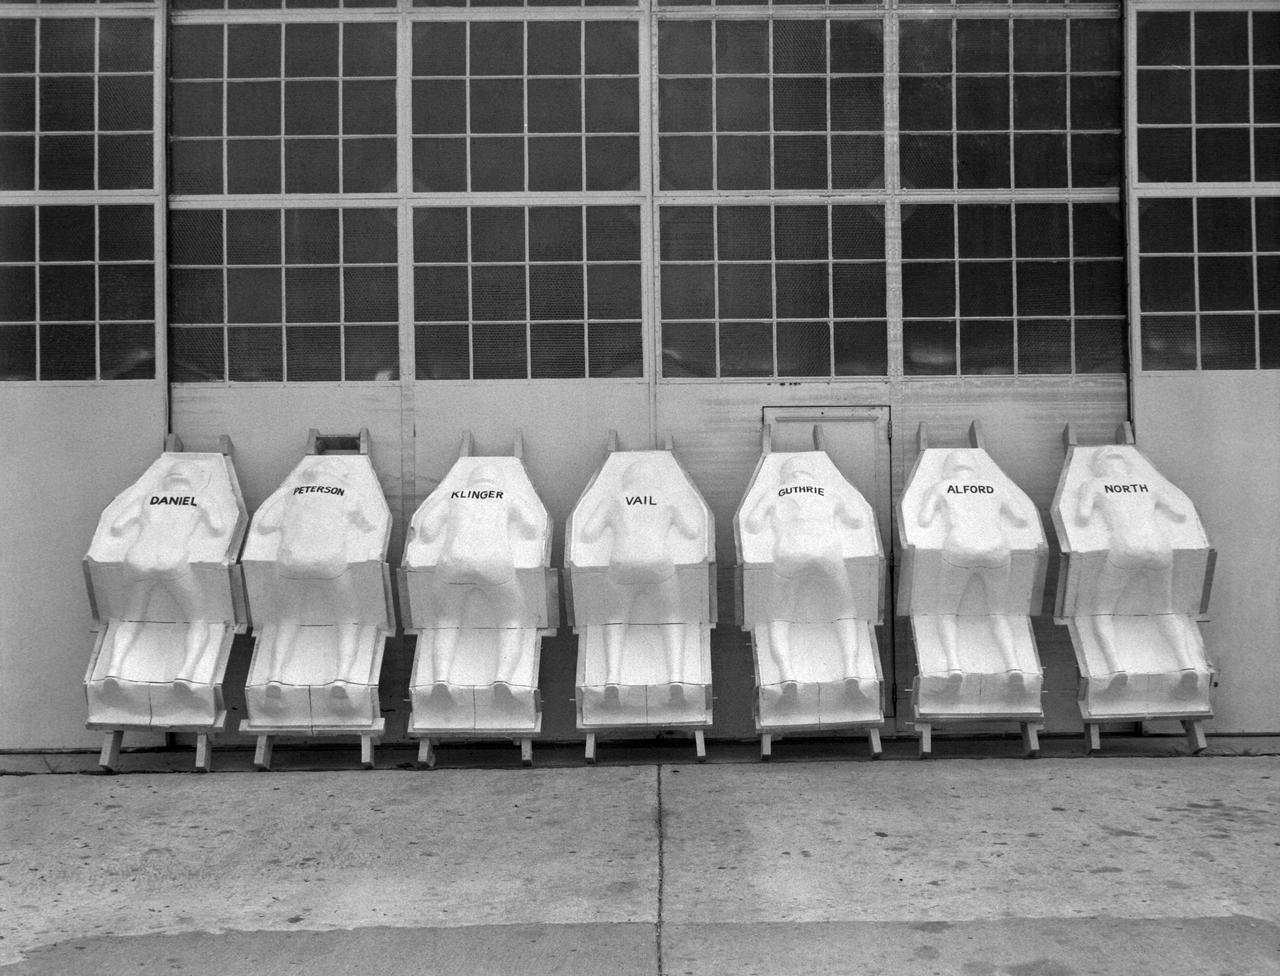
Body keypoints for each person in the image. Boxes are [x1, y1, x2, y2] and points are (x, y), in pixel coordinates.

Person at [408, 464, 542, 703]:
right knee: (511, 618)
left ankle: (441, 679)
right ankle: (502, 678)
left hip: (453, 564)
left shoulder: (453, 496)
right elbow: (532, 528)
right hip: (495, 564)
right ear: (496, 482)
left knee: (447, 620)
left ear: (472, 480)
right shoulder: (508, 496)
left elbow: (427, 531)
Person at [252, 457, 380, 701]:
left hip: (290, 563)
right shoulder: (349, 494)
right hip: (329, 564)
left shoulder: (291, 493)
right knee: (348, 617)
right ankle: (341, 677)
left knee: (288, 618)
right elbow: (369, 525)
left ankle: (275, 676)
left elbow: (266, 525)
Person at [101, 459, 234, 694]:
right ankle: (185, 674)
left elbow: (118, 527)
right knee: (197, 619)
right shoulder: (202, 498)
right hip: (172, 559)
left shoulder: (148, 498)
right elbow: (217, 527)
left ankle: (114, 669)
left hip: (138, 558)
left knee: (131, 618)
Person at [741, 456, 868, 699]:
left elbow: (753, 523)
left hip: (789, 554)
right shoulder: (829, 490)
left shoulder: (774, 492)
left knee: (780, 615)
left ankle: (787, 675)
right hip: (828, 553)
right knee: (844, 610)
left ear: (786, 475)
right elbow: (856, 519)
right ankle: (851, 670)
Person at [579, 458, 702, 703]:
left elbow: (589, 532)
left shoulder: (613, 499)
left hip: (622, 564)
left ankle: (612, 678)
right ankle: (675, 677)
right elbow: (692, 531)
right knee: (671, 617)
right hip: (659, 564)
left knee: (615, 619)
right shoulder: (667, 498)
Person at [1076, 447, 1199, 689]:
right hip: (1160, 548)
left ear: (1099, 468)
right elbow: (1178, 512)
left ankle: (1115, 668)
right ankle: (1187, 665)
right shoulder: (1148, 482)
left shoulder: (1094, 485)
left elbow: (1082, 517)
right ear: (1126, 465)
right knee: (1164, 610)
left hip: (1126, 548)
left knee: (1102, 612)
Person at [916, 451, 1031, 686]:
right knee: (997, 612)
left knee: (947, 611)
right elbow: (1020, 518)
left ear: (948, 468)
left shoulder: (941, 487)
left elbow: (924, 519)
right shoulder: (994, 486)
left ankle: (954, 665)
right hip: (996, 549)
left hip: (959, 548)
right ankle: (1013, 665)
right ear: (974, 468)